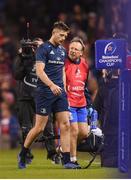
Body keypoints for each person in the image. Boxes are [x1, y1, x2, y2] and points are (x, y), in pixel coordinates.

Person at [18, 21, 80, 169]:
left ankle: (67, 162)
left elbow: (62, 71)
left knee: (65, 125)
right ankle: (23, 152)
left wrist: (64, 89)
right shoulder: (43, 49)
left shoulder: (62, 51)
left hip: (59, 93)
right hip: (45, 92)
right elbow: (40, 71)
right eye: (62, 35)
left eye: (65, 35)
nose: (64, 38)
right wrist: (51, 85)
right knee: (39, 128)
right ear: (54, 32)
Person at [14, 38, 59, 164]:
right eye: (35, 46)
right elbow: (17, 75)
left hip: (42, 96)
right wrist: (23, 58)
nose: (37, 48)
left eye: (40, 45)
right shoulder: (24, 56)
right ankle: (26, 154)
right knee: (26, 128)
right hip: (25, 97)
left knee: (48, 126)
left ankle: (52, 154)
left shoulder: (48, 57)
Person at [65, 37, 90, 167]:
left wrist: (89, 104)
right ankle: (73, 159)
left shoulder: (85, 64)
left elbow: (85, 86)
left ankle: (63, 148)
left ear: (81, 53)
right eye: (71, 48)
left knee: (84, 133)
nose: (72, 51)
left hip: (82, 104)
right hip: (69, 103)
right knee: (73, 130)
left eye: (76, 49)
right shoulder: (64, 64)